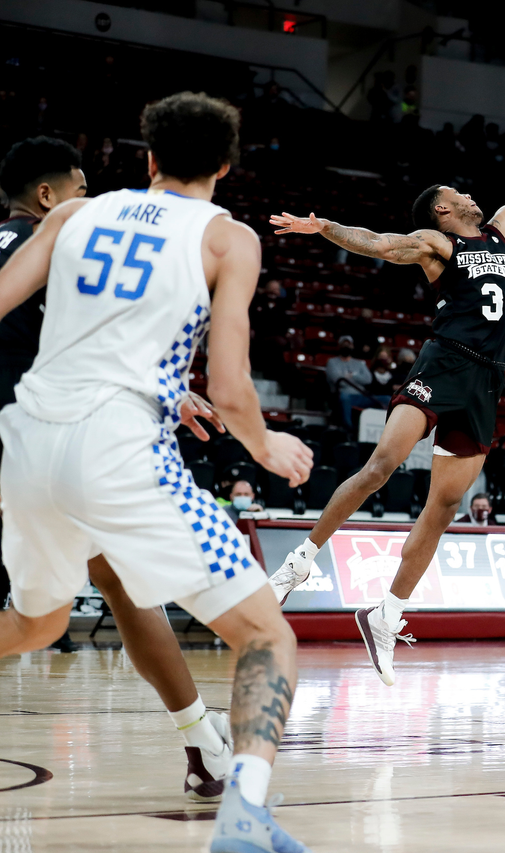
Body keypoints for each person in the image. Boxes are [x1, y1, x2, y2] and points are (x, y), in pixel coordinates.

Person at [0, 93, 314, 851]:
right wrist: (267, 447)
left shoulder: (73, 216)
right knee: (267, 635)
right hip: (120, 450)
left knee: (38, 623)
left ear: (147, 159)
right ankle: (244, 813)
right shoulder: (227, 238)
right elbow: (233, 386)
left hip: (30, 443)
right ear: (226, 166)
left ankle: (211, 761)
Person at [265, 83, 505, 686]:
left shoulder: (503, 232)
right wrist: (325, 228)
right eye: (457, 193)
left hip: (486, 382)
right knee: (382, 465)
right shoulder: (436, 244)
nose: (468, 193)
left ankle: (386, 612)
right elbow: (377, 244)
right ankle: (299, 562)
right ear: (443, 211)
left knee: (444, 507)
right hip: (443, 363)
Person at [0, 134, 244, 803]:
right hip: (50, 438)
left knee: (91, 594)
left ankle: (202, 746)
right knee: (126, 590)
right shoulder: (67, 243)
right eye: (80, 190)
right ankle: (202, 747)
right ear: (48, 197)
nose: (91, 204)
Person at [325, 334, 376, 428]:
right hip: (342, 396)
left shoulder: (360, 363)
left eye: (348, 345)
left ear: (352, 346)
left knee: (386, 399)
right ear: (339, 346)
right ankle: (348, 429)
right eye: (344, 344)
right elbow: (338, 380)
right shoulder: (332, 362)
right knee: (345, 397)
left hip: (361, 396)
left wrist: (352, 376)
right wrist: (357, 378)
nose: (346, 347)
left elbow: (368, 380)